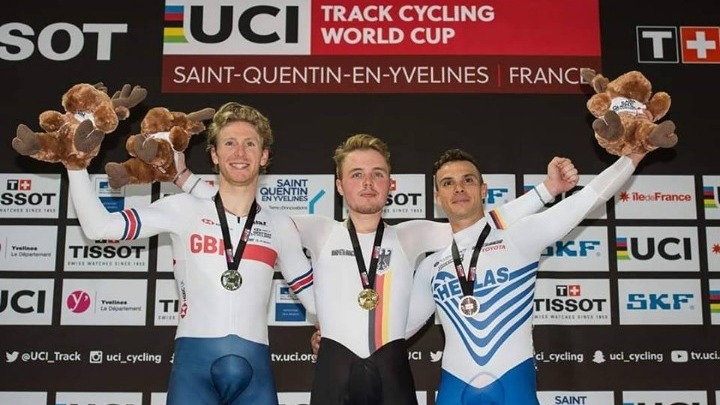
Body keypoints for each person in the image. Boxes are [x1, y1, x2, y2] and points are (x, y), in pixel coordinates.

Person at [180, 134, 578, 405]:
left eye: (377, 174)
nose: (367, 183)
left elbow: (482, 223)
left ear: (391, 184)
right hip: (334, 370)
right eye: (356, 174)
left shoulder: (413, 235)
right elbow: (244, 212)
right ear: (340, 186)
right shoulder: (317, 231)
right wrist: (183, 178)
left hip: (392, 372)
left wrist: (546, 191)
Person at [67, 102, 316, 405]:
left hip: (256, 370)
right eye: (229, 143)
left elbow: (315, 302)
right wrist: (75, 165)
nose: (240, 152)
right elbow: (100, 227)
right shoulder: (183, 209)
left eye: (250, 144)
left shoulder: (280, 226)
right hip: (194, 368)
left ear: (264, 156)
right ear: (214, 154)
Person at [405, 148, 650, 405]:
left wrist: (635, 154)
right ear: (437, 197)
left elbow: (588, 198)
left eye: (468, 180)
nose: (458, 188)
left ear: (484, 190)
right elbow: (399, 331)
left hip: (514, 387)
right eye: (448, 183)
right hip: (454, 390)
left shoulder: (519, 238)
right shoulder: (431, 267)